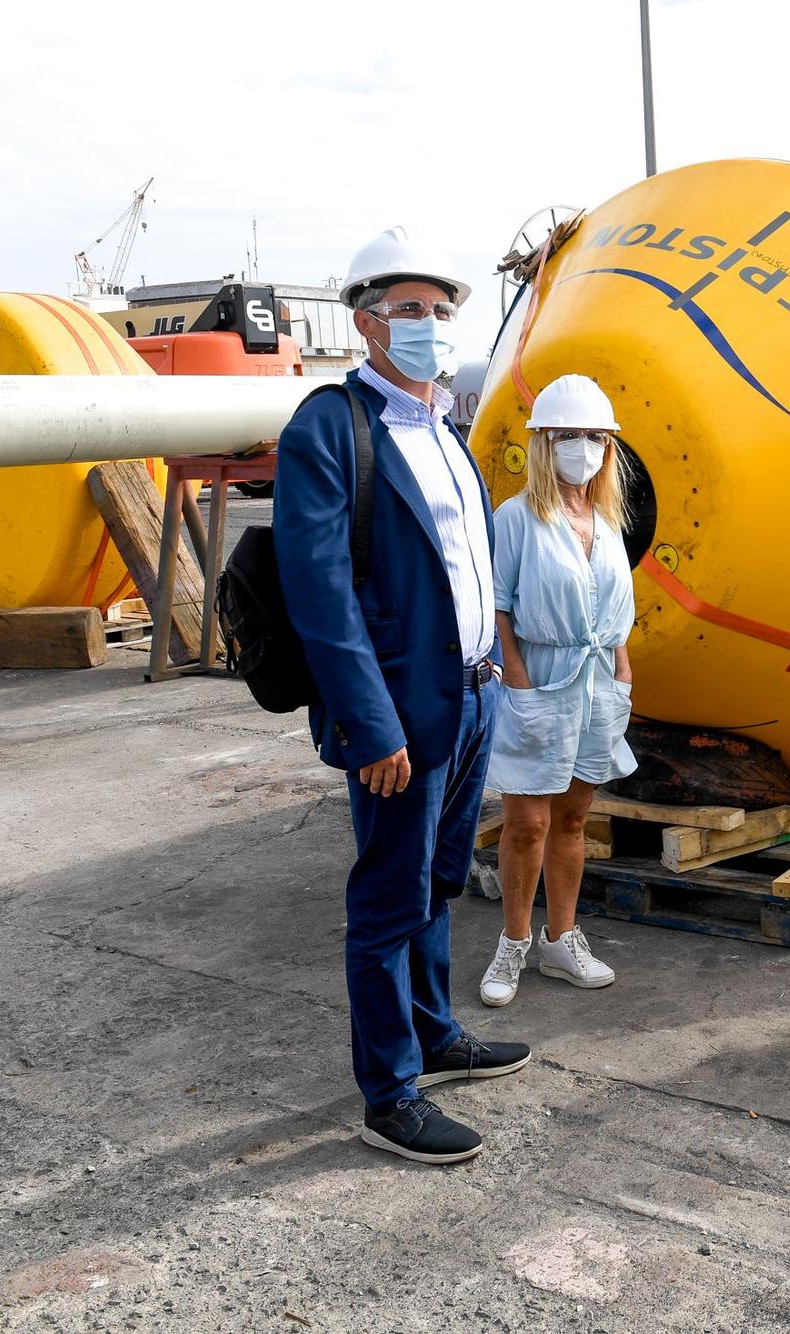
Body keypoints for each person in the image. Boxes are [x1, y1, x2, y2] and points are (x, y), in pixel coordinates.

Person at [276, 225, 529, 1165]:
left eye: (442, 310)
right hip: (398, 718)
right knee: (387, 900)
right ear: (366, 323)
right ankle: (389, 1091)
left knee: (439, 883)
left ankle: (434, 1034)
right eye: (411, 310)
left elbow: (466, 570)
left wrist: (493, 673)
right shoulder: (333, 427)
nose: (431, 325)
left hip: (468, 702)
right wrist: (370, 724)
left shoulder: (446, 435)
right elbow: (321, 596)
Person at [477, 374, 638, 1007]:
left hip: (598, 681)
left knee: (574, 817)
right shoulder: (516, 518)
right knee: (526, 822)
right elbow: (497, 608)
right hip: (541, 675)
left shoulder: (606, 520)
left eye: (595, 436)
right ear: (544, 443)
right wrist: (517, 681)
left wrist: (623, 668)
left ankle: (560, 938)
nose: (583, 447)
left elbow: (618, 608)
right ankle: (513, 943)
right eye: (568, 435)